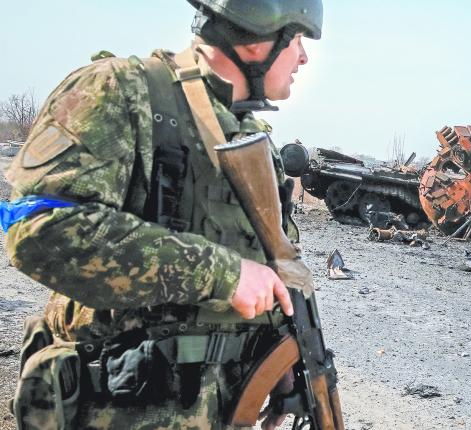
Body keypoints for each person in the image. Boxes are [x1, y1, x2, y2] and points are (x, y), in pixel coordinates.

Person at [4, 0, 322, 429]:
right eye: (298, 40)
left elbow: (269, 271)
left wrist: (277, 357)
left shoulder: (249, 137)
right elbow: (40, 227)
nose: (303, 57)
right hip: (117, 408)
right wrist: (222, 274)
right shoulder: (119, 90)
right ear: (259, 39)